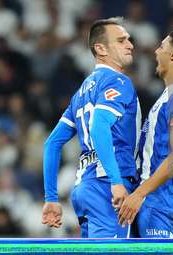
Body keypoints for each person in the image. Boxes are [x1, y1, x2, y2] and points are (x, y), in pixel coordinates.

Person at [41, 17, 141, 238]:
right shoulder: (118, 82)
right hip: (108, 185)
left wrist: (51, 198)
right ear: (101, 49)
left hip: (84, 186)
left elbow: (52, 143)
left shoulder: (80, 93)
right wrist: (116, 181)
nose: (130, 45)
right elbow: (99, 128)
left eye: (129, 39)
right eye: (122, 40)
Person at [118, 30, 173, 238]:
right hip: (157, 200)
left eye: (161, 47)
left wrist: (141, 192)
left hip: (161, 204)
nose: (156, 52)